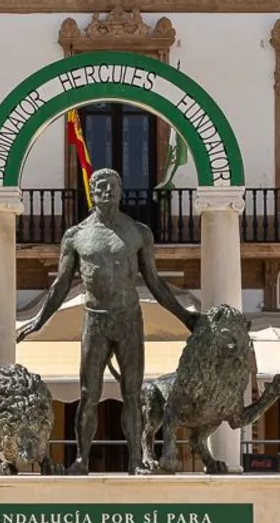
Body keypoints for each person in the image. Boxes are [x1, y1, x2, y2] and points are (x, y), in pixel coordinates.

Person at [15, 165, 198, 471]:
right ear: (93, 194)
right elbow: (60, 284)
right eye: (101, 187)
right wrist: (39, 320)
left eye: (113, 186)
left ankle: (137, 460)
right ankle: (81, 458)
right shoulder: (76, 236)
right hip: (95, 320)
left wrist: (184, 316)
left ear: (121, 192)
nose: (108, 192)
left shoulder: (139, 233)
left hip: (129, 320)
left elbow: (155, 282)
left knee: (132, 394)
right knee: (88, 394)